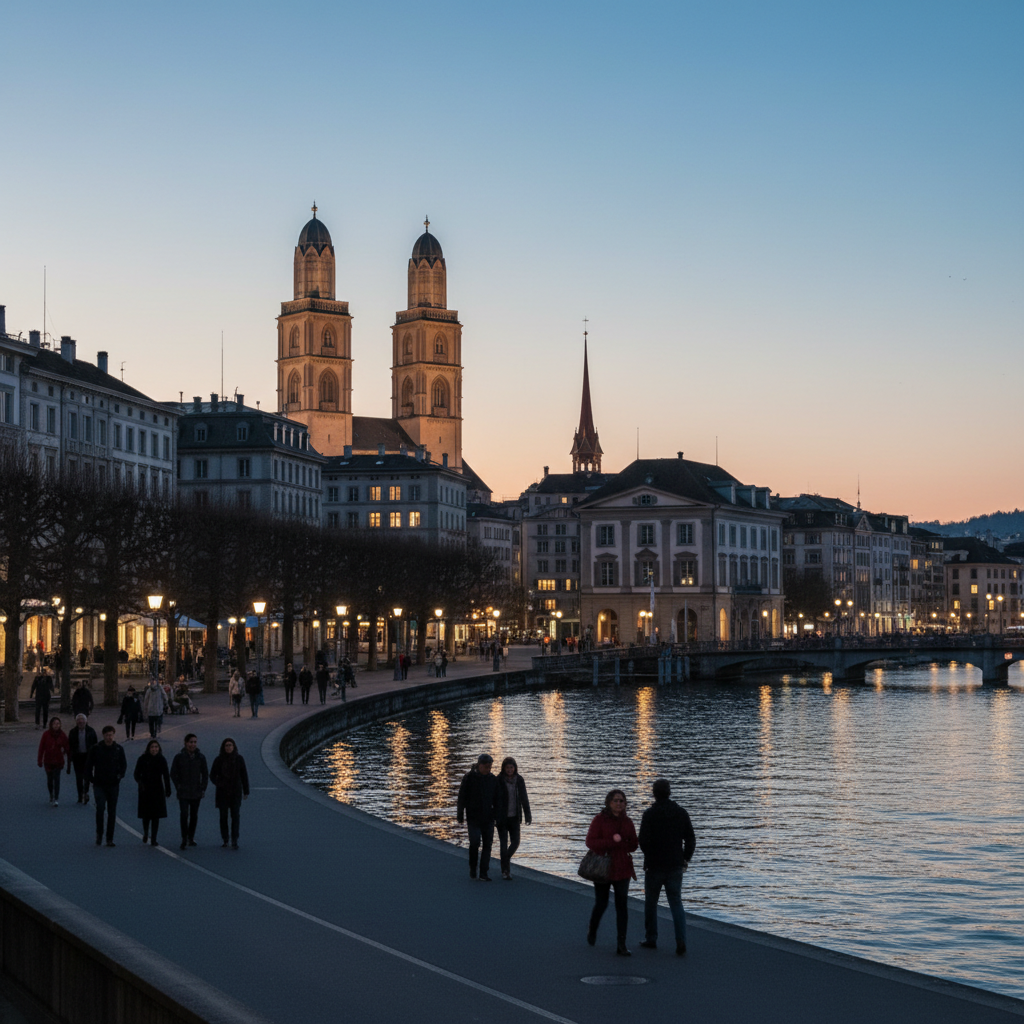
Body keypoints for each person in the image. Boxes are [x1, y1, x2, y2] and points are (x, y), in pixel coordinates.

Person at [638, 778, 696, 956]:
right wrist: (685, 858)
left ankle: (651, 938)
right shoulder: (681, 813)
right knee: (676, 902)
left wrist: (649, 856)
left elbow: (643, 841)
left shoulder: (649, 814)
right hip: (675, 865)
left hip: (655, 866)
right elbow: (691, 840)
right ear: (669, 792)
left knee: (651, 903)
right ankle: (681, 940)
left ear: (654, 793)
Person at [585, 789, 639, 956]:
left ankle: (621, 943)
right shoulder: (599, 820)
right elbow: (590, 842)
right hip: (603, 867)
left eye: (622, 801)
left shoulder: (628, 822)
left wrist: (624, 843)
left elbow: (634, 845)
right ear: (609, 802)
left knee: (622, 906)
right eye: (616, 800)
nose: (619, 803)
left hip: (622, 869)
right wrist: (612, 842)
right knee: (602, 903)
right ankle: (592, 930)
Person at [456, 754, 498, 881]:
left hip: (488, 817)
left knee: (487, 844)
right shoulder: (469, 778)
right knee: (475, 843)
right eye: (486, 767)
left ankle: (484, 872)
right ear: (479, 765)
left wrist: (496, 815)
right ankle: (473, 868)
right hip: (473, 816)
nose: (488, 769)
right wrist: (460, 814)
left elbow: (496, 799)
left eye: (490, 767)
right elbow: (462, 796)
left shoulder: (492, 779)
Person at [85, 725, 127, 847]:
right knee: (100, 809)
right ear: (103, 736)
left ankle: (109, 838)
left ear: (114, 735)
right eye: (107, 735)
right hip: (99, 784)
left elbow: (123, 765)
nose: (109, 737)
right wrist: (91, 779)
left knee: (112, 811)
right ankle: (99, 834)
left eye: (111, 735)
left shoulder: (118, 749)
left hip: (113, 785)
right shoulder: (96, 749)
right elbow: (89, 765)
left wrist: (119, 776)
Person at [495, 757, 532, 880]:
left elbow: (524, 798)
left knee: (515, 842)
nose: (510, 770)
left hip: (515, 817)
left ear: (515, 768)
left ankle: (505, 859)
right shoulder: (499, 780)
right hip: (502, 818)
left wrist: (528, 814)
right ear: (504, 768)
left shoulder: (519, 780)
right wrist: (494, 815)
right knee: (503, 844)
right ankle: (505, 871)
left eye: (511, 767)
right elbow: (494, 799)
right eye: (507, 767)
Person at [170, 733, 208, 850]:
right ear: (185, 743)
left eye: (195, 742)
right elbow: (173, 773)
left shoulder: (201, 757)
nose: (193, 744)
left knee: (194, 815)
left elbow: (205, 774)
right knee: (184, 814)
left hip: (196, 791)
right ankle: (184, 837)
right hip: (184, 792)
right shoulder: (179, 757)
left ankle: (191, 837)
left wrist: (202, 788)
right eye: (191, 742)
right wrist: (178, 786)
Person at [209, 738, 250, 849]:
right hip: (222, 792)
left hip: (235, 791)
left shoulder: (239, 759)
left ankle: (234, 838)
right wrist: (219, 783)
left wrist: (246, 791)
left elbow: (244, 775)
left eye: (230, 745)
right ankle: (225, 838)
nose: (228, 747)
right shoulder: (218, 760)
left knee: (235, 815)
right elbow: (212, 775)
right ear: (223, 747)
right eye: (226, 745)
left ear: (234, 746)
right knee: (223, 816)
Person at [134, 739, 171, 847]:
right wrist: (140, 782)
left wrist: (168, 789)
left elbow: (166, 775)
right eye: (152, 747)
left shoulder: (161, 759)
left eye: (156, 747)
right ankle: (146, 832)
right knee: (146, 815)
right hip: (145, 789)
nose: (154, 749)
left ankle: (154, 838)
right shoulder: (142, 759)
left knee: (156, 816)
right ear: (148, 749)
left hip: (157, 789)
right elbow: (136, 773)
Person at [37, 716, 71, 806]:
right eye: (54, 724)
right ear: (51, 725)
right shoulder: (46, 734)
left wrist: (68, 759)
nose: (56, 725)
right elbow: (41, 748)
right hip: (48, 760)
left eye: (58, 724)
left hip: (58, 761)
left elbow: (67, 747)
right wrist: (40, 760)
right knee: (50, 780)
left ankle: (56, 798)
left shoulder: (62, 735)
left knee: (57, 779)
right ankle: (51, 794)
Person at [68, 714, 98, 804]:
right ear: (76, 722)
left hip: (88, 756)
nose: (80, 722)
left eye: (82, 720)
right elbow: (70, 746)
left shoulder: (91, 731)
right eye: (79, 720)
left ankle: (85, 792)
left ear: (86, 721)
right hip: (77, 757)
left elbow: (95, 745)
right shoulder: (73, 732)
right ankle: (80, 795)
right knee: (79, 777)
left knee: (87, 776)